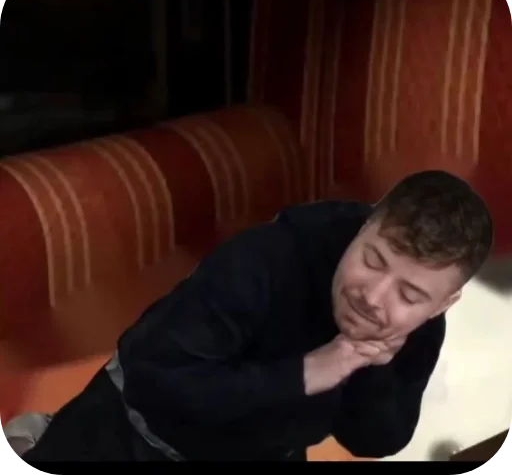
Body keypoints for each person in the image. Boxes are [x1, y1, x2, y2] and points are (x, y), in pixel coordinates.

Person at [16, 170, 493, 462]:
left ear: (443, 303)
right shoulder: (263, 259)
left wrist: (372, 368)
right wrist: (309, 372)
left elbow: (377, 440)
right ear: (365, 225)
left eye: (409, 295)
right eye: (373, 260)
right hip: (134, 432)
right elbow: (156, 384)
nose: (374, 297)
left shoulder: (419, 327)